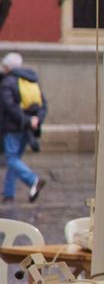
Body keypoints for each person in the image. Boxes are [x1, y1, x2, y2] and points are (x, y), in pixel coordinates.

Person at [0, 52, 46, 203]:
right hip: (28, 128)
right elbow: (43, 104)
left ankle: (33, 180)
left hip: (13, 127)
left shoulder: (8, 82)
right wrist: (35, 120)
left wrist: (26, 120)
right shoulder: (31, 80)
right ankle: (8, 194)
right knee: (15, 159)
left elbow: (9, 107)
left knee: (11, 159)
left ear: (7, 67)